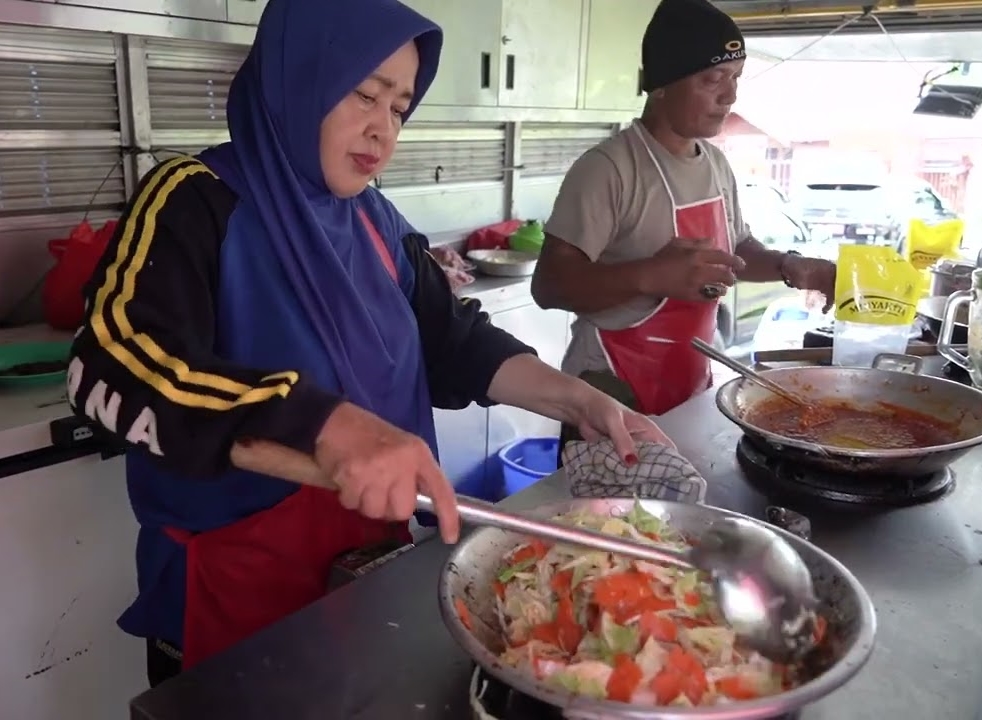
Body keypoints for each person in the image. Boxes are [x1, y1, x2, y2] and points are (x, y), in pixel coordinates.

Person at [66, 0, 669, 688]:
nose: (382, 128)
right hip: (233, 591)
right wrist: (321, 423)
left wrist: (576, 400)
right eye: (364, 94)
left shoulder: (376, 222)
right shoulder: (193, 201)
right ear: (300, 79)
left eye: (400, 107)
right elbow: (111, 359)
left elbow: (455, 342)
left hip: (366, 574)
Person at [530, 0, 837, 455]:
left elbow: (736, 247)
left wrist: (791, 266)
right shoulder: (610, 168)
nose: (729, 96)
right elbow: (549, 286)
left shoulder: (714, 162)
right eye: (712, 79)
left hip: (691, 378)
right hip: (612, 388)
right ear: (661, 86)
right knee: (605, 523)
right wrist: (650, 276)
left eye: (735, 77)